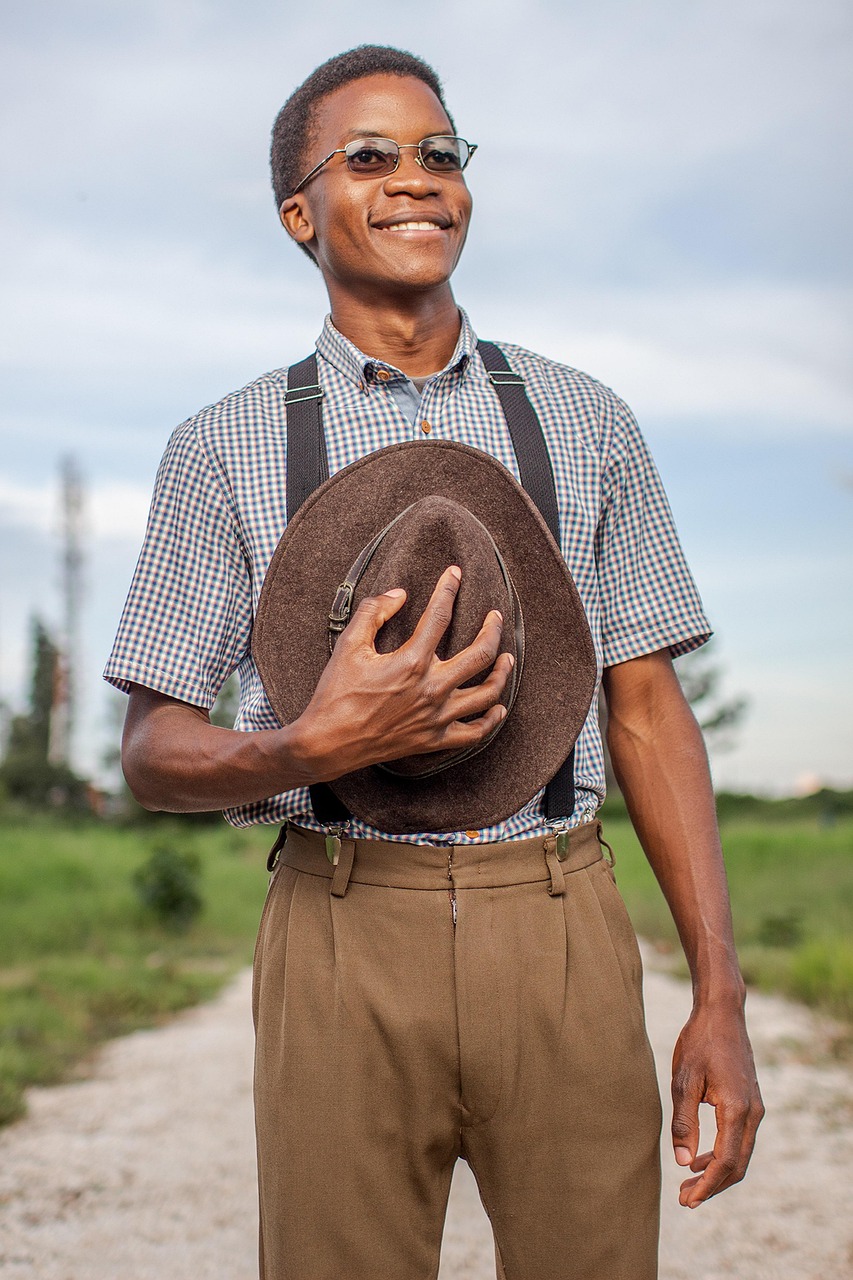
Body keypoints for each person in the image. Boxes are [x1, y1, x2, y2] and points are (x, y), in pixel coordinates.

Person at [105, 44, 764, 1280]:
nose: (417, 180)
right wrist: (309, 746)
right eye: (369, 157)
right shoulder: (223, 446)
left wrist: (717, 997)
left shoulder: (585, 422)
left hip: (559, 921)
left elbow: (648, 712)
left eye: (440, 153)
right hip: (339, 924)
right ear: (299, 213)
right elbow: (150, 747)